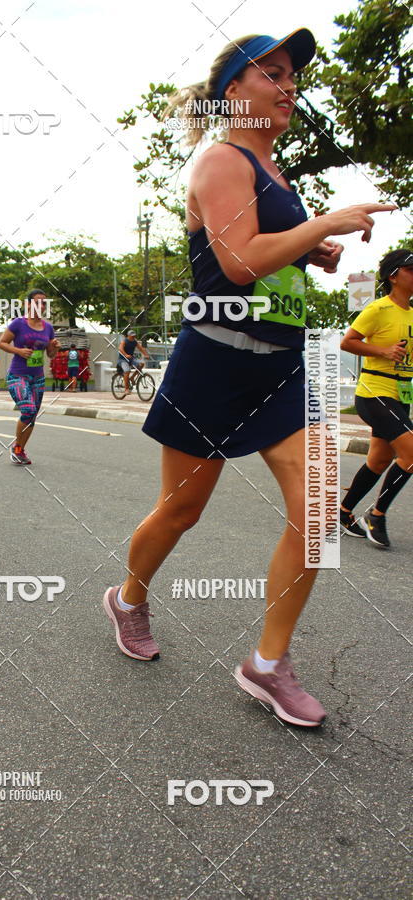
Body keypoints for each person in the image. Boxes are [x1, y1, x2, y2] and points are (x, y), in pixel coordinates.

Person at [101, 30, 396, 727]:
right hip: (214, 360)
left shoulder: (276, 172)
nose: (289, 85)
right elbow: (237, 262)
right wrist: (324, 221)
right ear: (235, 90)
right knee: (182, 509)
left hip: (281, 367)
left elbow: (268, 252)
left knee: (318, 509)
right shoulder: (221, 159)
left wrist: (313, 252)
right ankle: (129, 598)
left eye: (294, 75)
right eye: (273, 72)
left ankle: (267, 663)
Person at [339, 249, 413, 548]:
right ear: (394, 276)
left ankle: (344, 512)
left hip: (400, 394)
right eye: (412, 269)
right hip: (374, 393)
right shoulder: (378, 309)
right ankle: (377, 515)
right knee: (411, 454)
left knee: (380, 459)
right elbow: (348, 342)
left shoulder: (410, 314)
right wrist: (382, 351)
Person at [0, 289, 59, 465]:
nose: (41, 305)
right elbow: (1, 343)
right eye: (37, 301)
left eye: (44, 302)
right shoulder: (18, 323)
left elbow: (51, 355)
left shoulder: (48, 328)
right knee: (28, 410)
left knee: (32, 415)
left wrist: (54, 346)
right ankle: (17, 448)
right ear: (28, 304)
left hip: (37, 377)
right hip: (17, 374)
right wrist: (19, 351)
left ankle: (19, 450)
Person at [118, 329, 150, 396]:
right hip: (123, 359)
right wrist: (126, 355)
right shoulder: (124, 341)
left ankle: (132, 377)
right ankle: (126, 389)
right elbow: (120, 349)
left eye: (134, 336)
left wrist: (146, 354)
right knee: (127, 371)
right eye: (132, 336)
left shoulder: (134, 342)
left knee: (141, 364)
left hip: (131, 359)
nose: (133, 337)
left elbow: (141, 348)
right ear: (128, 336)